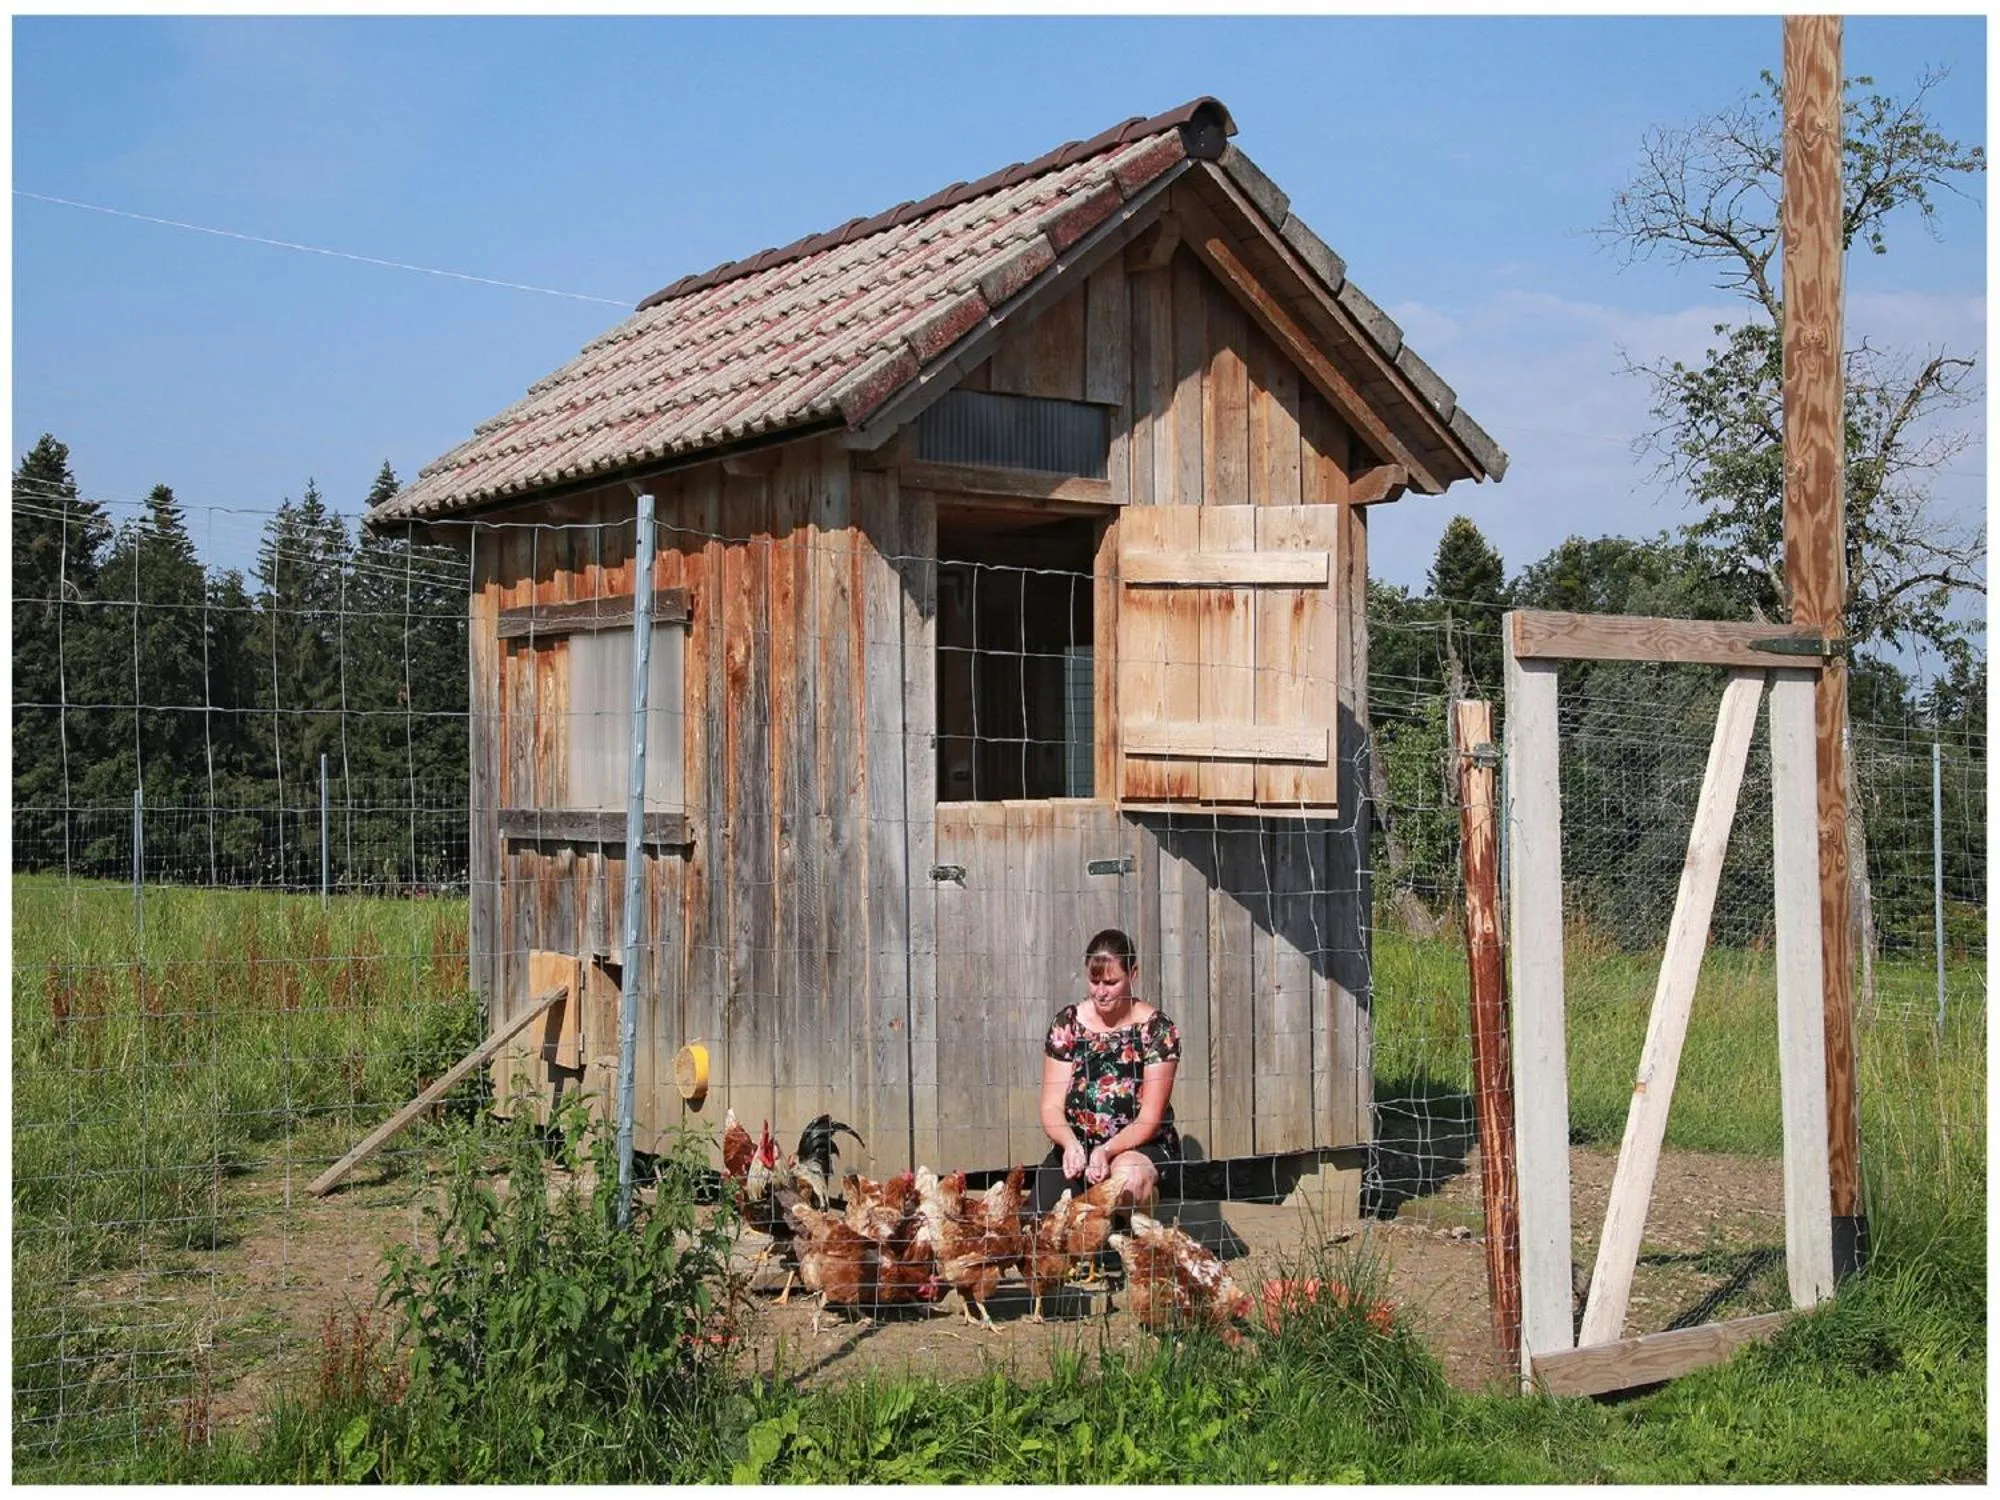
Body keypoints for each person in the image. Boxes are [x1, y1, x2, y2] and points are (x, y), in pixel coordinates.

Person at [1034, 927, 1181, 1217]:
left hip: (1138, 1147)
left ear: (1133, 975)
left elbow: (1149, 1119)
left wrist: (1107, 1150)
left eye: (1111, 982)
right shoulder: (1068, 1024)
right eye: (1094, 981)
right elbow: (1050, 1106)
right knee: (1040, 1223)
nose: (1101, 992)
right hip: (1079, 1146)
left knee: (1128, 1179)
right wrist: (1069, 1144)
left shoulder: (1157, 1030)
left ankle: (1136, 1230)